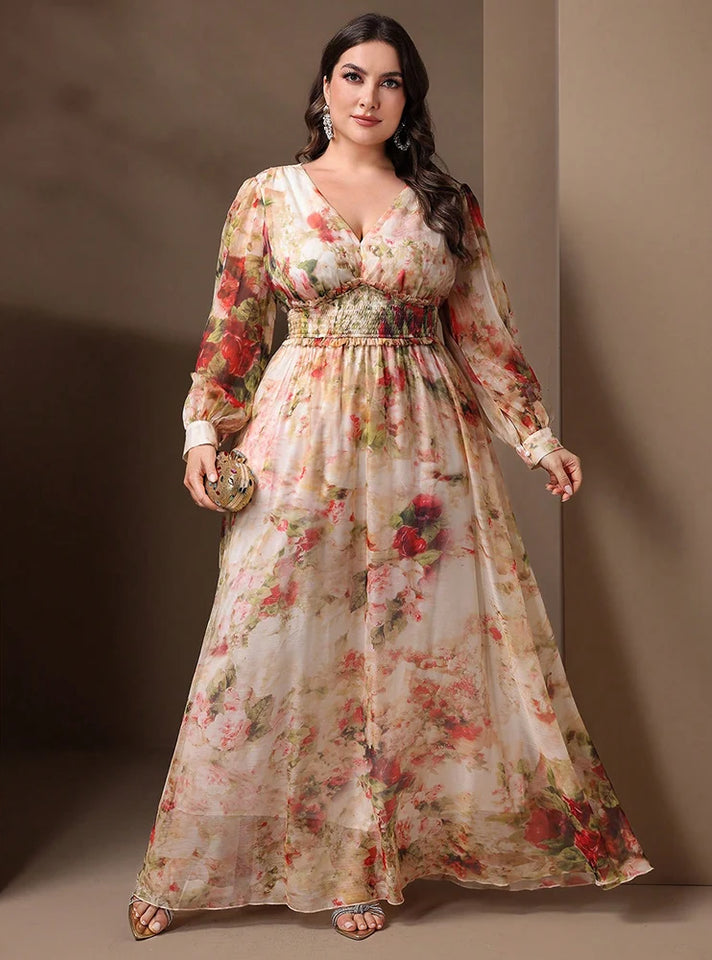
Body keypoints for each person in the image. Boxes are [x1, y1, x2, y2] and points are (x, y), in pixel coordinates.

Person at [128, 12, 653, 943]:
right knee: (260, 643)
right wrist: (202, 433)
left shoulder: (445, 202)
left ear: (409, 99)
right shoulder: (269, 195)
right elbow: (234, 327)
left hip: (425, 444)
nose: (370, 96)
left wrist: (538, 440)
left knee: (407, 653)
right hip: (299, 439)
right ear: (324, 89)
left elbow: (486, 336)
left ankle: (363, 864)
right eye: (353, 76)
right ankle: (188, 861)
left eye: (391, 81)